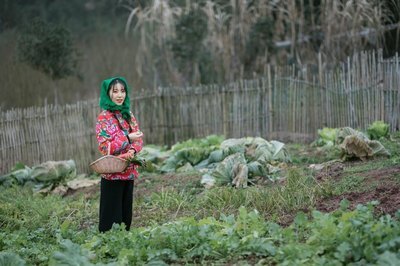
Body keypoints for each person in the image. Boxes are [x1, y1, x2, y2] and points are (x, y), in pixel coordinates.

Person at [95, 76, 143, 232]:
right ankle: (108, 247)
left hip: (128, 170)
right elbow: (105, 148)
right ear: (108, 93)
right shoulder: (103, 117)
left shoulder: (128, 115)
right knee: (111, 215)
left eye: (122, 91)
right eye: (115, 91)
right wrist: (127, 138)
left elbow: (139, 138)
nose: (119, 95)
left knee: (125, 214)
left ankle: (123, 244)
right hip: (112, 173)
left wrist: (132, 150)